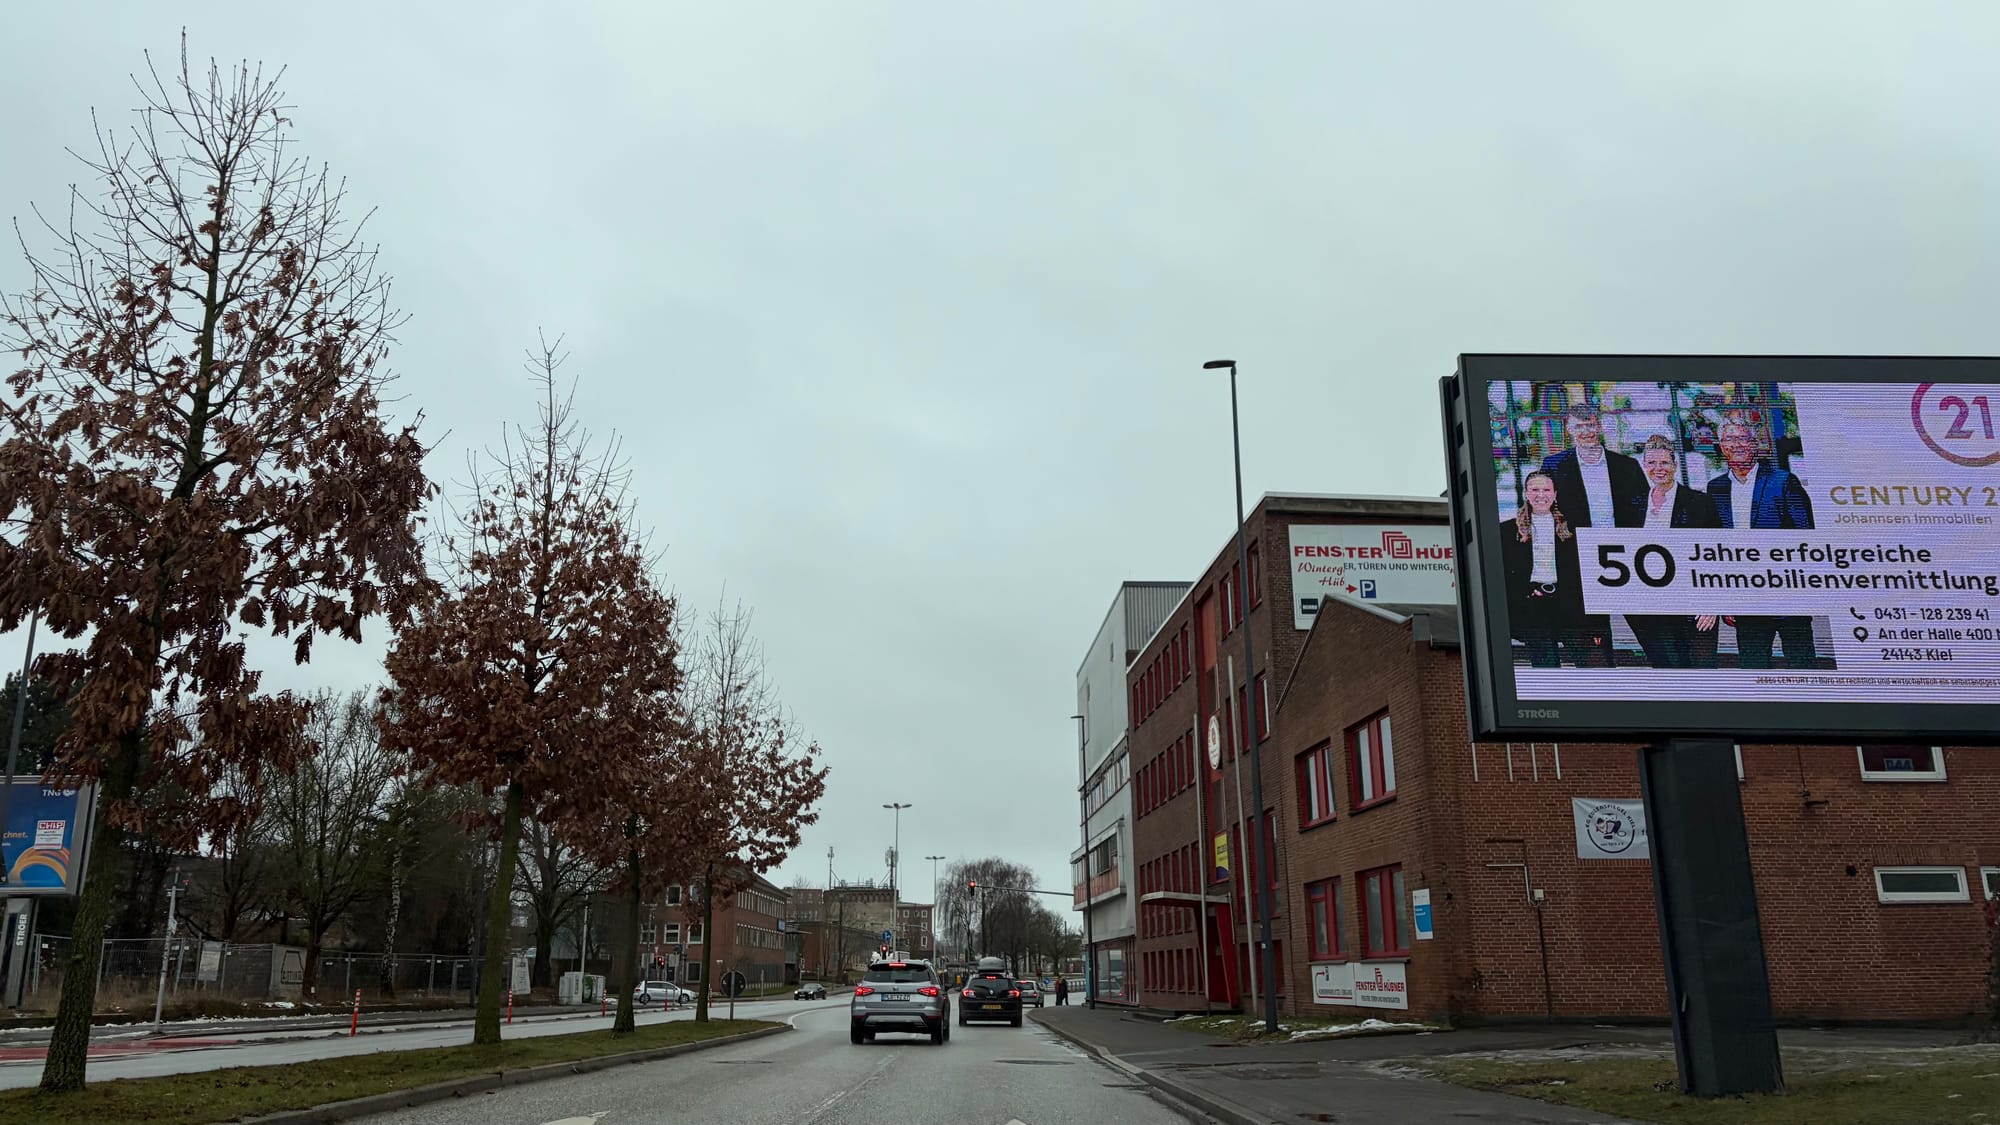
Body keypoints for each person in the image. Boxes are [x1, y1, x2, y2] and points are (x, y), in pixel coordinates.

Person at [1539, 404, 1646, 664]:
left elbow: (1642, 510)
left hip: (1626, 557)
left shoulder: (1626, 466)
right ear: (1569, 429)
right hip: (1580, 561)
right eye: (1579, 426)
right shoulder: (1554, 466)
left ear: (1599, 426)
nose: (1586, 431)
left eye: (1590, 425)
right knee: (1594, 640)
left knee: (1648, 625)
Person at [1706, 417, 1817, 668]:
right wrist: (1726, 599)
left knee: (1803, 667)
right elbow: (1716, 548)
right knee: (1753, 668)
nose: (1736, 444)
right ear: (1722, 446)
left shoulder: (1784, 481)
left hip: (1788, 595)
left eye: (1743, 438)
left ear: (1755, 444)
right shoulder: (1715, 489)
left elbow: (1806, 537)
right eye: (1729, 439)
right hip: (1747, 599)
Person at [1622, 435, 1721, 668]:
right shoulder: (1633, 505)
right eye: (1652, 463)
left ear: (1675, 465)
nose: (1659, 469)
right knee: (1666, 670)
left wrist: (1713, 604)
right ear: (1644, 465)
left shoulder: (1699, 502)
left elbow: (1716, 554)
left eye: (1665, 463)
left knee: (1701, 672)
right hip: (1651, 607)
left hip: (1694, 605)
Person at [1501, 470, 1588, 668]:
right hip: (1532, 605)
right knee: (1546, 665)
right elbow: (1506, 573)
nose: (1541, 495)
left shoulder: (1572, 528)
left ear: (1555, 494)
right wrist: (1527, 592)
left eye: (1546, 490)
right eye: (1535, 490)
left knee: (1584, 662)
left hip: (1568, 605)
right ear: (1526, 493)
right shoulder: (1507, 531)